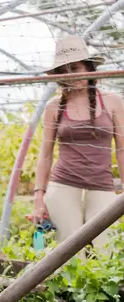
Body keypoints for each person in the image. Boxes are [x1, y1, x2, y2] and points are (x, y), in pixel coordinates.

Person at [32, 35, 124, 256]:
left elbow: (122, 149)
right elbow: (45, 156)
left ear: (89, 68)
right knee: (69, 255)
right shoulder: (54, 106)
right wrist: (38, 197)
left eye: (76, 67)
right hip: (63, 185)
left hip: (101, 185)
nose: (72, 75)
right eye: (65, 70)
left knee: (107, 252)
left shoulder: (112, 101)